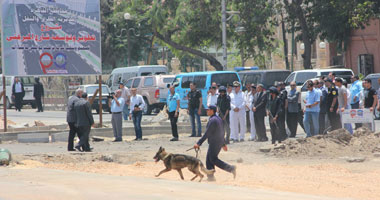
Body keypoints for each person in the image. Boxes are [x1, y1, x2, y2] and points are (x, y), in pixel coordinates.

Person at [194, 105, 236, 181]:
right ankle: (211, 177)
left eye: (208, 110)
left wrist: (199, 143)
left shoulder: (213, 120)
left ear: (212, 111)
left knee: (213, 159)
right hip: (218, 142)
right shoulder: (218, 119)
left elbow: (207, 133)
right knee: (209, 159)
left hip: (215, 142)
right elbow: (222, 132)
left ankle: (231, 168)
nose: (207, 111)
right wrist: (223, 144)